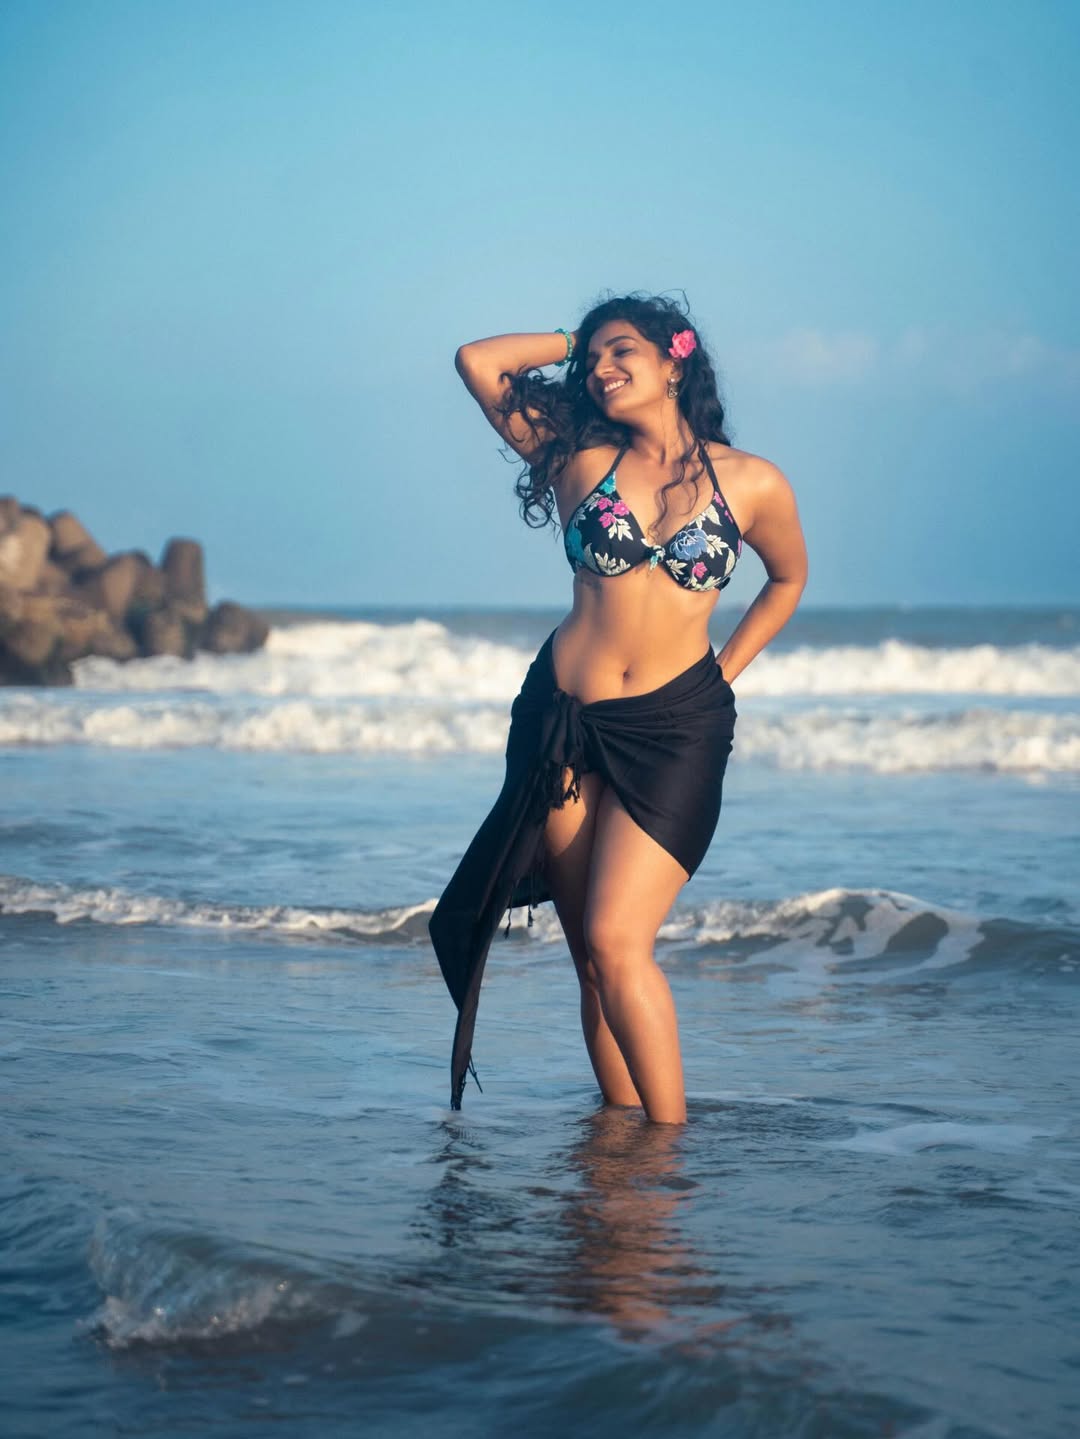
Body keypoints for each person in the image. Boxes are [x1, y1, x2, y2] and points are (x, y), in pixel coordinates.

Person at [430, 292, 808, 1122]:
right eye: (591, 360)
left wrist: (724, 672)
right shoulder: (576, 456)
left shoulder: (750, 482)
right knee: (591, 960)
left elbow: (788, 580)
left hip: (674, 730)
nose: (601, 370)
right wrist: (576, 338)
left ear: (677, 360)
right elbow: (478, 361)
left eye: (622, 352)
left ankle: (668, 1146)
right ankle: (621, 1143)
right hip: (563, 720)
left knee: (617, 938)